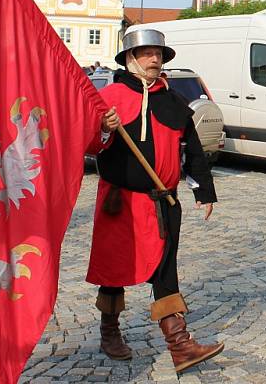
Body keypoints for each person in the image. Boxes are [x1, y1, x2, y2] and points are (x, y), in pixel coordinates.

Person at [87, 29, 224, 374]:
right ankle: (110, 331)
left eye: (158, 54)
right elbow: (91, 145)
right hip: (122, 202)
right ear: (130, 59)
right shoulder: (112, 96)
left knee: (166, 269)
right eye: (147, 53)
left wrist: (203, 189)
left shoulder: (173, 100)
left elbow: (192, 147)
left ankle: (180, 346)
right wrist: (104, 127)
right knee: (115, 268)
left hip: (164, 202)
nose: (154, 59)